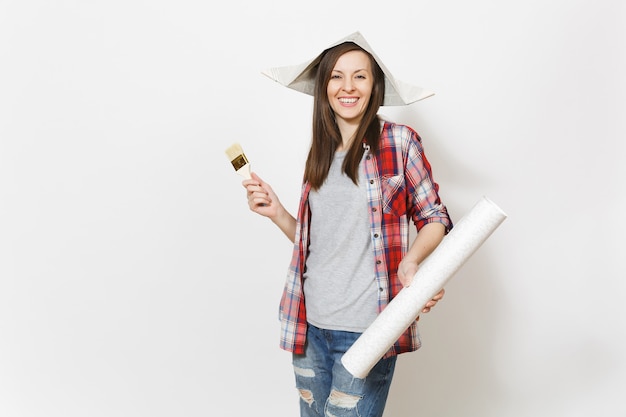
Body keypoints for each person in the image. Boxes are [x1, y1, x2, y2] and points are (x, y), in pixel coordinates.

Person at [242, 32, 453, 417]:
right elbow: (316, 244)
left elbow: (435, 217)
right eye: (336, 76)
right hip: (309, 327)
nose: (347, 87)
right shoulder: (319, 153)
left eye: (360, 76)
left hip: (369, 331)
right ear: (324, 87)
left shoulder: (400, 142)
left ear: (374, 87)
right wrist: (278, 213)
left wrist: (412, 263)